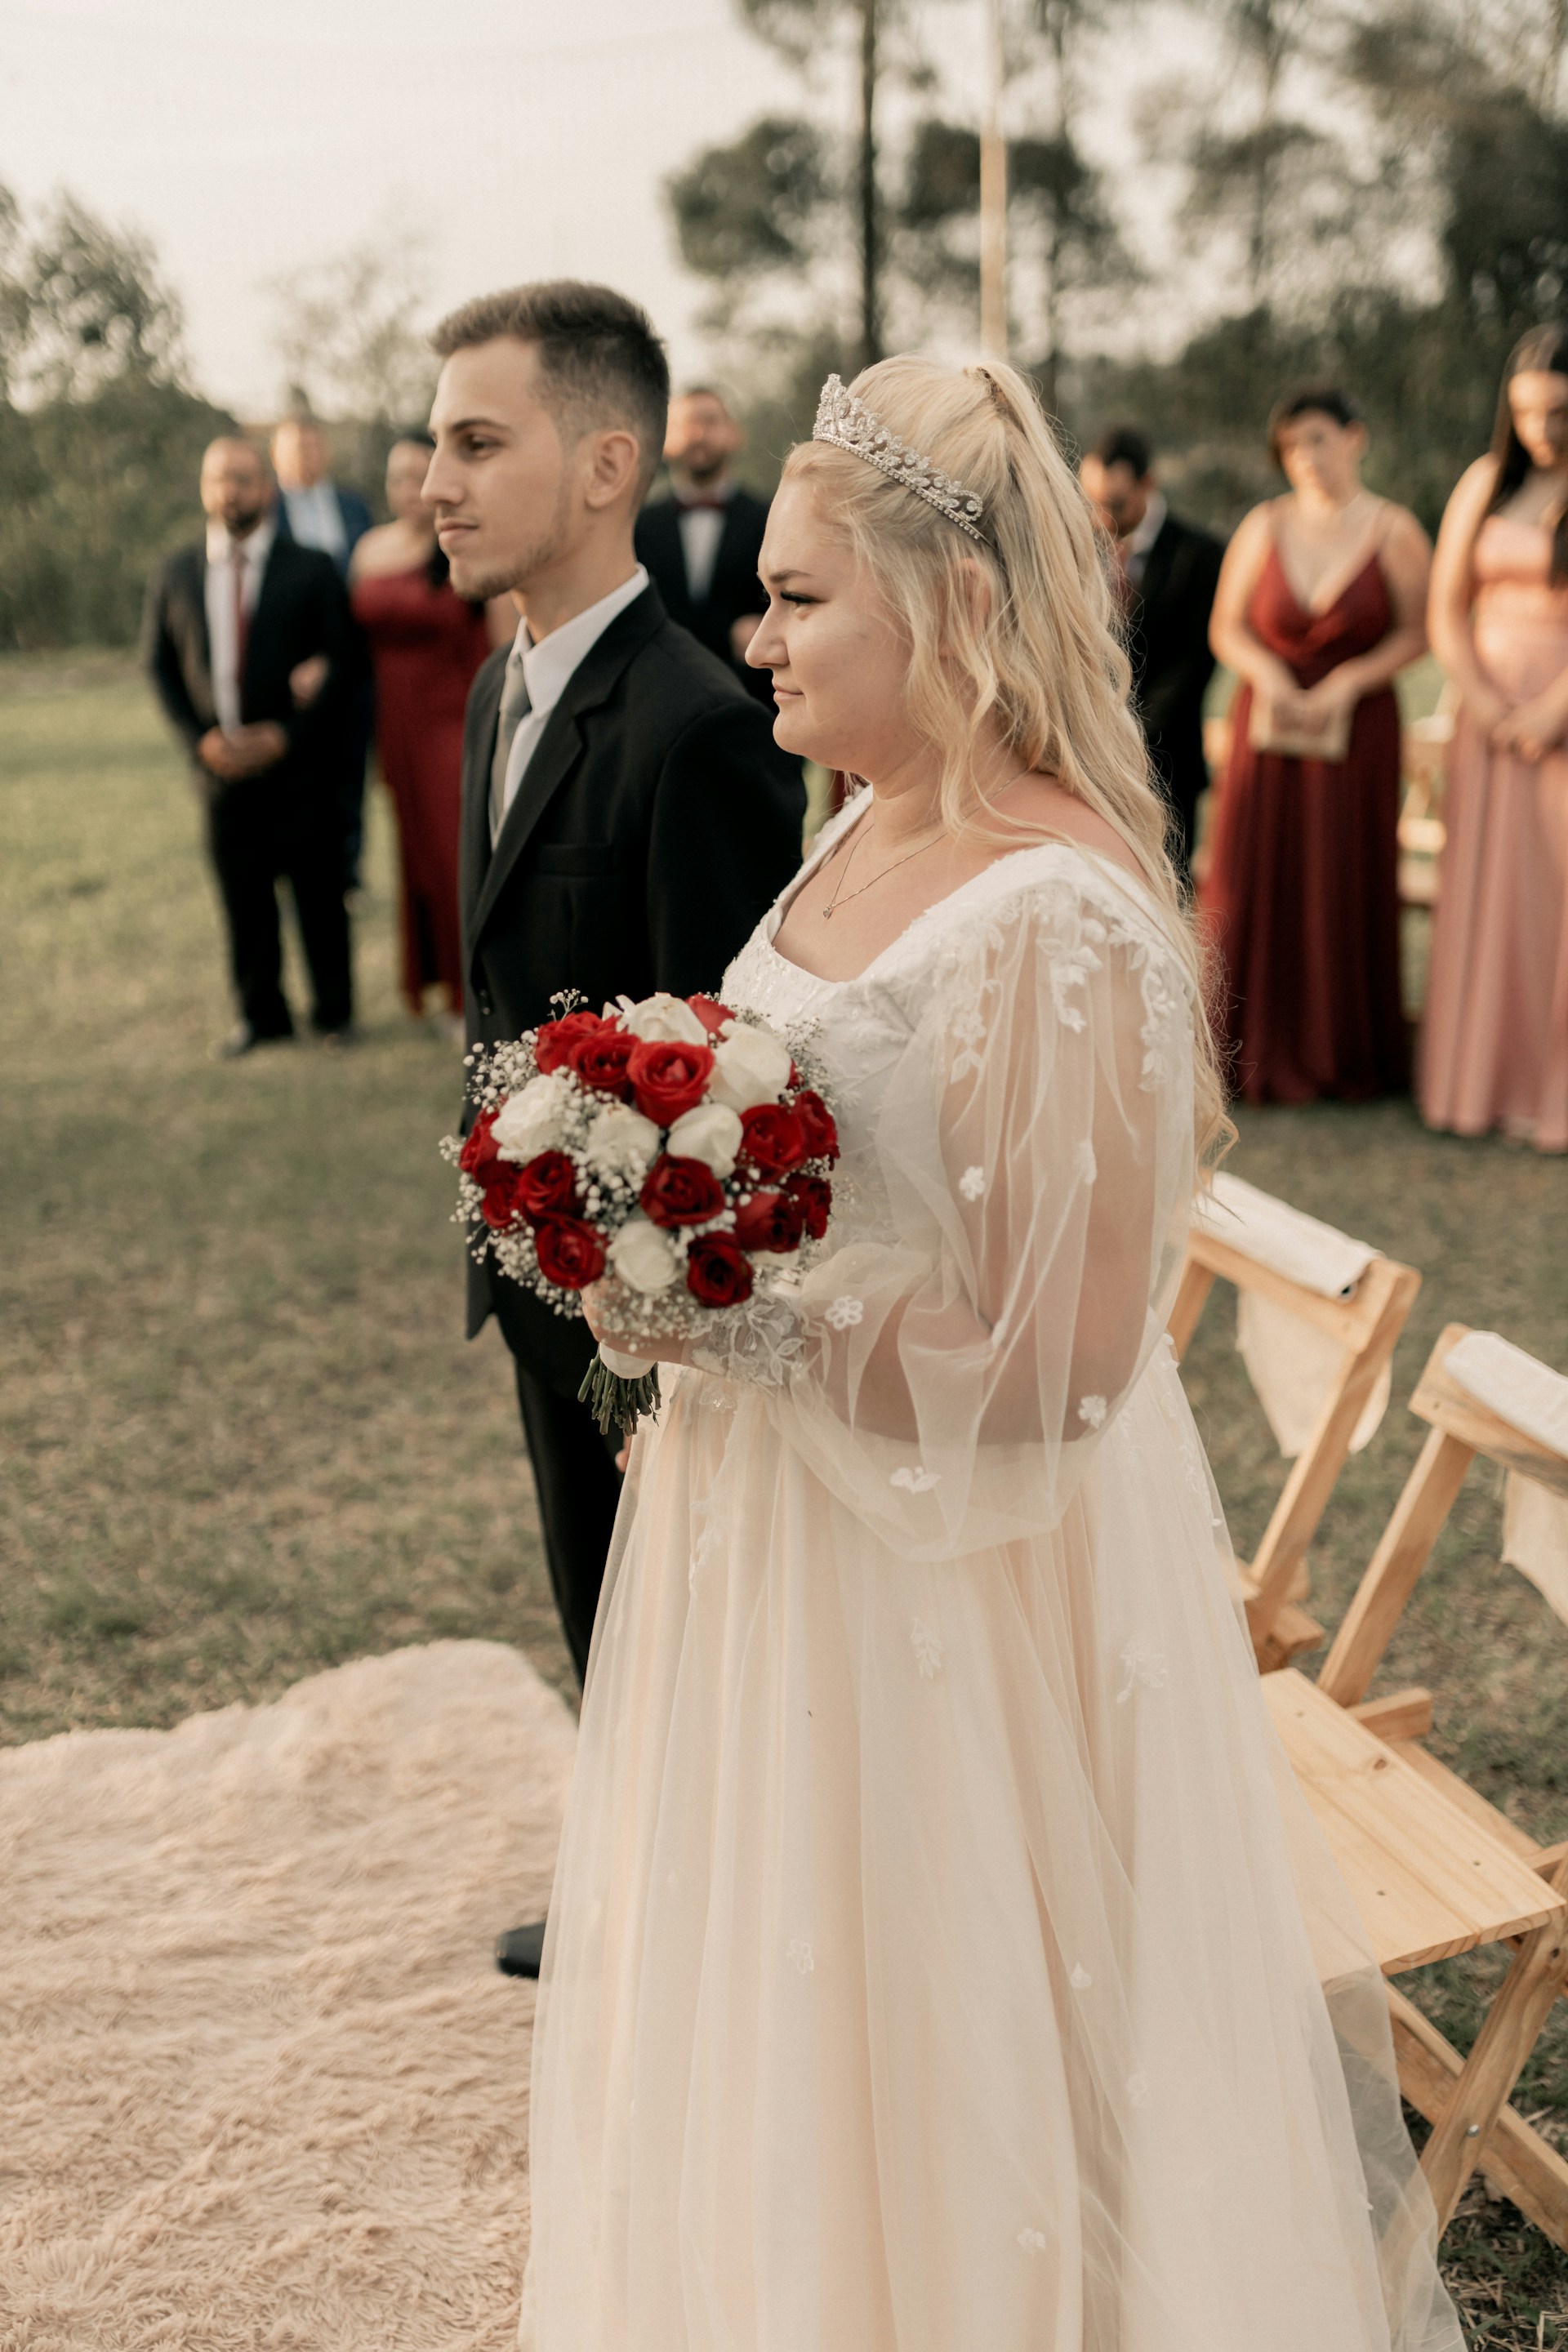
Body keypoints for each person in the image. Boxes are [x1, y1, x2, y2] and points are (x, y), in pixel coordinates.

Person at [520, 356, 1463, 2352]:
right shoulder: (852, 825)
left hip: (953, 1589)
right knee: (788, 2013)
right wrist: (657, 1236)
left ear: (947, 605)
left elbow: (1065, 1356)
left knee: (952, 2038)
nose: (757, 640)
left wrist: (735, 1316)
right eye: (763, 599)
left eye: (799, 598)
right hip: (778, 1533)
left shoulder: (1058, 909)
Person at [425, 281, 804, 1974]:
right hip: (537, 1266)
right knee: (598, 1600)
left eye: (475, 443)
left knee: (681, 1614)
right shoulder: (495, 689)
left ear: (604, 466)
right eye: (436, 443)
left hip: (648, 1302)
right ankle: (639, 1887)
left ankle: (698, 1929)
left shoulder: (697, 726)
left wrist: (655, 1329)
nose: (435, 481)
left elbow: (730, 1068)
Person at [1202, 387, 1431, 1103]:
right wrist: (1268, 673)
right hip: (1267, 726)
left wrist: (1351, 680)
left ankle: (1340, 1050)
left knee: (1341, 876)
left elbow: (1419, 631)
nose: (1304, 456)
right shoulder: (1262, 525)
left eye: (1318, 440)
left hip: (1357, 732)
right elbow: (1226, 626)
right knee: (1256, 877)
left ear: (1355, 438)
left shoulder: (1394, 530)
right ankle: (1242, 1047)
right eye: (1291, 445)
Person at [141, 436, 354, 1055]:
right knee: (243, 900)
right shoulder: (176, 571)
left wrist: (286, 736)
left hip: (300, 769)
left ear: (267, 489)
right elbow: (157, 666)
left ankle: (334, 1013)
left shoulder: (312, 567)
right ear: (204, 488)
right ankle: (262, 1017)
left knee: (318, 897)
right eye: (218, 479)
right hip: (221, 772)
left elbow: (346, 663)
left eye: (242, 478)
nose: (229, 491)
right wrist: (199, 743)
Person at [1421, 324, 1568, 1150]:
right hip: (1486, 725)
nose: (1542, 428)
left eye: (1560, 411)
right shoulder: (1484, 481)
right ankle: (1477, 1083)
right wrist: (1483, 702)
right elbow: (1446, 609)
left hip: (1559, 724)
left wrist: (1550, 713)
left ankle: (1550, 1091)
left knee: (1556, 904)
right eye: (1528, 410)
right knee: (1489, 897)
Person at [350, 433, 508, 1031]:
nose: (409, 489)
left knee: (454, 858)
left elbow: (503, 642)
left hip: (453, 722)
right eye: (398, 477)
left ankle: (475, 996)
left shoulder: (471, 543)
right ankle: (437, 984)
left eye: (420, 474)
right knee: (414, 856)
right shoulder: (368, 550)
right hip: (395, 728)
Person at [1079, 423, 1223, 876]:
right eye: (1092, 502)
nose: (1101, 517)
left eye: (1115, 503)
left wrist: (1127, 739)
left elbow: (1192, 668)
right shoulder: (1078, 549)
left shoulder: (1200, 556)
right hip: (1085, 761)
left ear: (1147, 485)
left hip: (1167, 765)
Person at [272, 413, 376, 891]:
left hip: (355, 665)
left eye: (313, 446)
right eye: (295, 448)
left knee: (352, 772)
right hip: (293, 669)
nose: (306, 456)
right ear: (277, 456)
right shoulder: (267, 511)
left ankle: (349, 871)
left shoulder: (355, 508)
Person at [634, 385, 773, 699]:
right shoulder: (638, 525)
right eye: (687, 424)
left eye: (710, 422)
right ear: (666, 441)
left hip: (751, 696)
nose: (698, 435)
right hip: (661, 693)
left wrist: (766, 625)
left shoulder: (770, 518)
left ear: (734, 434)